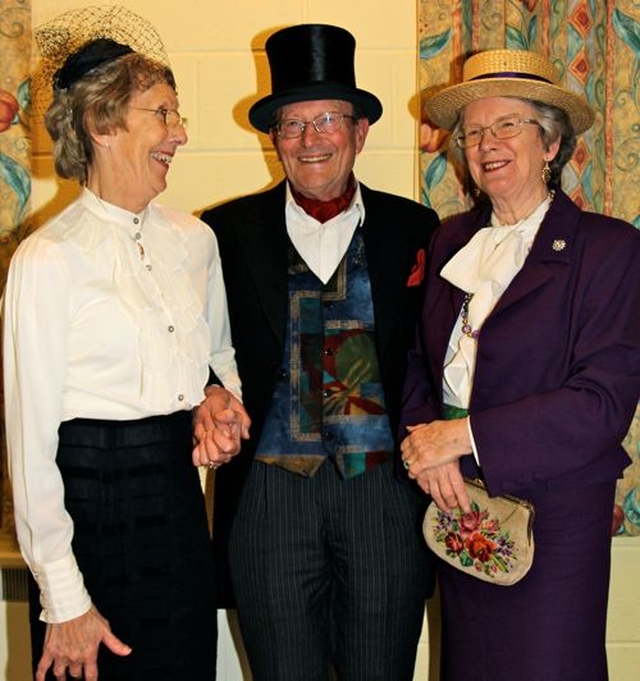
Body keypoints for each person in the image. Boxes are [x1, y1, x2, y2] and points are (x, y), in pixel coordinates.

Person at [3, 9, 247, 680]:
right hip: (90, 542)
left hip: (178, 519)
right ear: (103, 125)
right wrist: (65, 598)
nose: (182, 133)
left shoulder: (195, 242)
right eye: (162, 114)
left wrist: (218, 406)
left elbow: (216, 364)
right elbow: (30, 453)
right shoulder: (46, 260)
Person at [198, 23, 439, 681]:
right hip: (271, 492)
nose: (310, 141)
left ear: (360, 132)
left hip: (382, 492)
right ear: (272, 137)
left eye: (327, 119)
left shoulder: (416, 229)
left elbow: (439, 355)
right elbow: (188, 345)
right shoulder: (220, 233)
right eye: (292, 124)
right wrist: (208, 393)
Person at [400, 48, 640, 681]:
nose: (487, 143)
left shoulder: (609, 249)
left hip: (555, 516)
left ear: (551, 143)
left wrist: (463, 436)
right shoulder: (451, 240)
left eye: (509, 125)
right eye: (474, 131)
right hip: (459, 503)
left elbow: (601, 403)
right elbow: (422, 363)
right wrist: (429, 446)